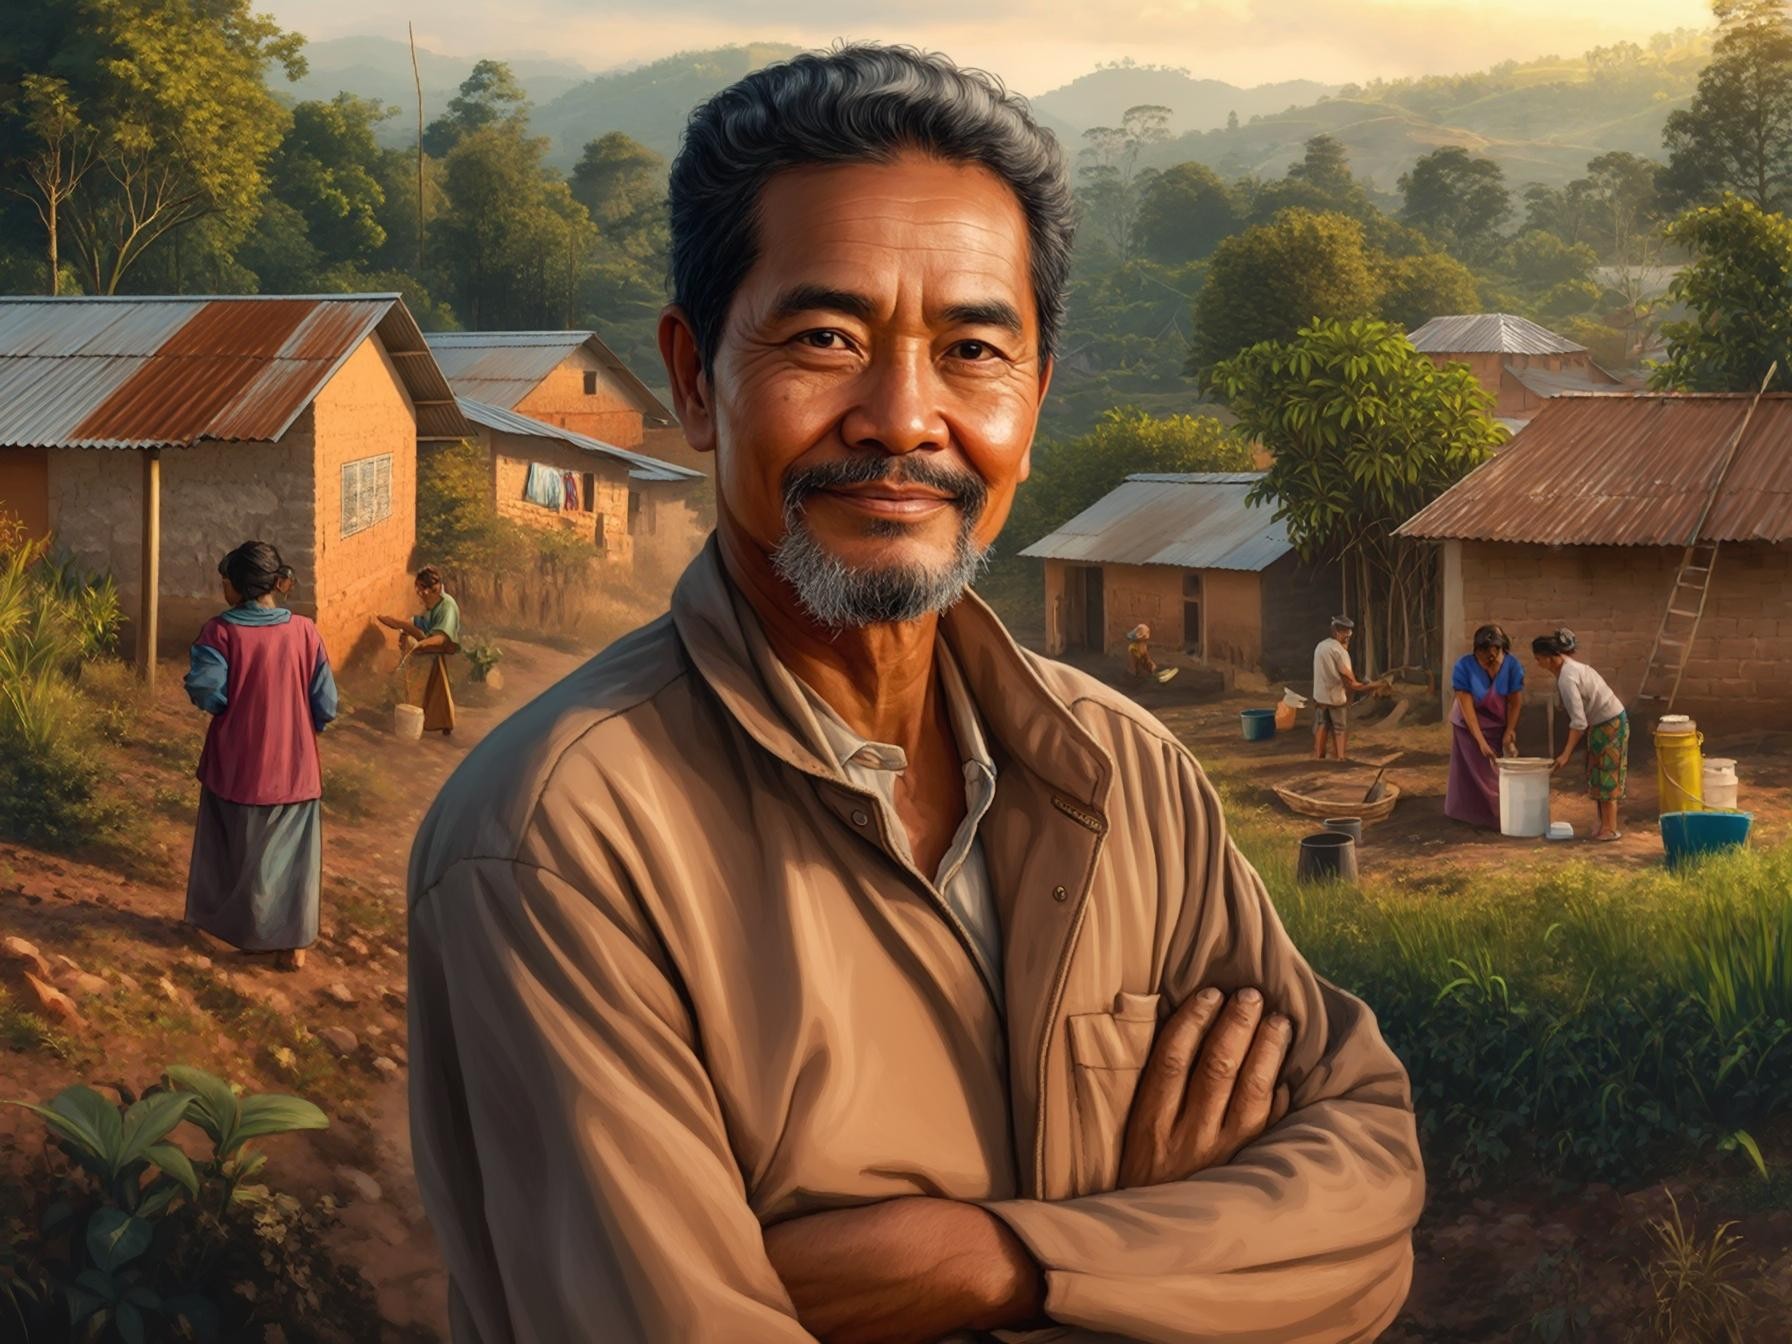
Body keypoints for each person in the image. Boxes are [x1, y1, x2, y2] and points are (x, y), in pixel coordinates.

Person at [409, 45, 1422, 1344]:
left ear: (1036, 398)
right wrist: (1175, 1260)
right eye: (827, 337)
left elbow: (1367, 1191)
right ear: (692, 377)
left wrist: (993, 1260)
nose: (903, 417)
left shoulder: (1127, 772)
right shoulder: (565, 838)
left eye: (972, 349)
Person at [183, 542, 338, 972]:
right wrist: (303, 728)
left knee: (238, 849)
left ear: (238, 586)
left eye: (225, 582)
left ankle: (245, 934)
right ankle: (292, 944)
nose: (223, 590)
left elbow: (206, 690)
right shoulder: (305, 631)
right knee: (292, 859)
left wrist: (227, 704)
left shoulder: (220, 632)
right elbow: (326, 701)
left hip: (238, 763)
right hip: (296, 766)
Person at [1532, 629, 1628, 842]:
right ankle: (1602, 823)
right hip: (1599, 722)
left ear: (1549, 658)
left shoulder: (1568, 677)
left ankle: (1609, 828)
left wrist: (1565, 754)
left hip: (1611, 722)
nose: (1538, 664)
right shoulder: (1566, 668)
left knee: (1607, 773)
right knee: (1595, 772)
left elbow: (1579, 722)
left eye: (1538, 659)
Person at [1445, 624, 1526, 829]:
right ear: (1476, 652)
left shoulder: (1512, 666)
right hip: (1468, 725)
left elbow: (1515, 702)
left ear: (1502, 651)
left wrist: (1509, 730)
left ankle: (1499, 813)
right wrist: (1480, 741)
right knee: (1479, 770)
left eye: (1495, 655)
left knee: (1494, 768)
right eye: (1484, 656)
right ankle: (1491, 815)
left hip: (1497, 723)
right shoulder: (1463, 667)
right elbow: (1466, 707)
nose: (1490, 661)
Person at [380, 566, 461, 735]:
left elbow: (442, 637)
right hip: (429, 645)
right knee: (434, 687)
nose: (419, 594)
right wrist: (404, 627)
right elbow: (421, 622)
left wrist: (421, 644)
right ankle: (435, 723)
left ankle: (435, 723)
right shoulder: (433, 604)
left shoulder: (447, 607)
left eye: (421, 590)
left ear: (432, 589)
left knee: (432, 685)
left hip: (437, 647)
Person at [1311, 615, 1374, 760]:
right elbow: (1351, 680)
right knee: (1339, 728)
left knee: (1322, 724)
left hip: (1320, 696)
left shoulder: (1321, 645)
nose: (1348, 637)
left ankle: (1319, 757)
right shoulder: (1340, 652)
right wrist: (1369, 685)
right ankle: (1340, 758)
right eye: (1347, 633)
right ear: (1339, 633)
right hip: (1335, 697)